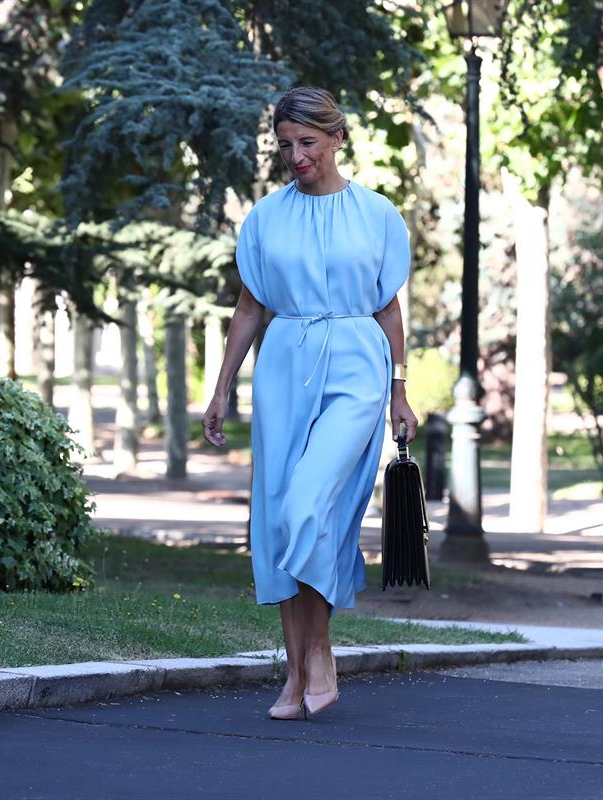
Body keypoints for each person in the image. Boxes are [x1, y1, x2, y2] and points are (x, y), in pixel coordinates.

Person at [202, 86, 418, 720]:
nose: (297, 156)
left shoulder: (378, 214)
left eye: (308, 143)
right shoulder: (267, 217)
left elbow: (388, 307)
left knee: (308, 506)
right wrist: (221, 388)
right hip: (285, 363)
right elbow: (249, 308)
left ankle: (318, 650)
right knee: (277, 521)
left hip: (357, 364)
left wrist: (400, 390)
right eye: (286, 145)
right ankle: (294, 678)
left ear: (336, 138)